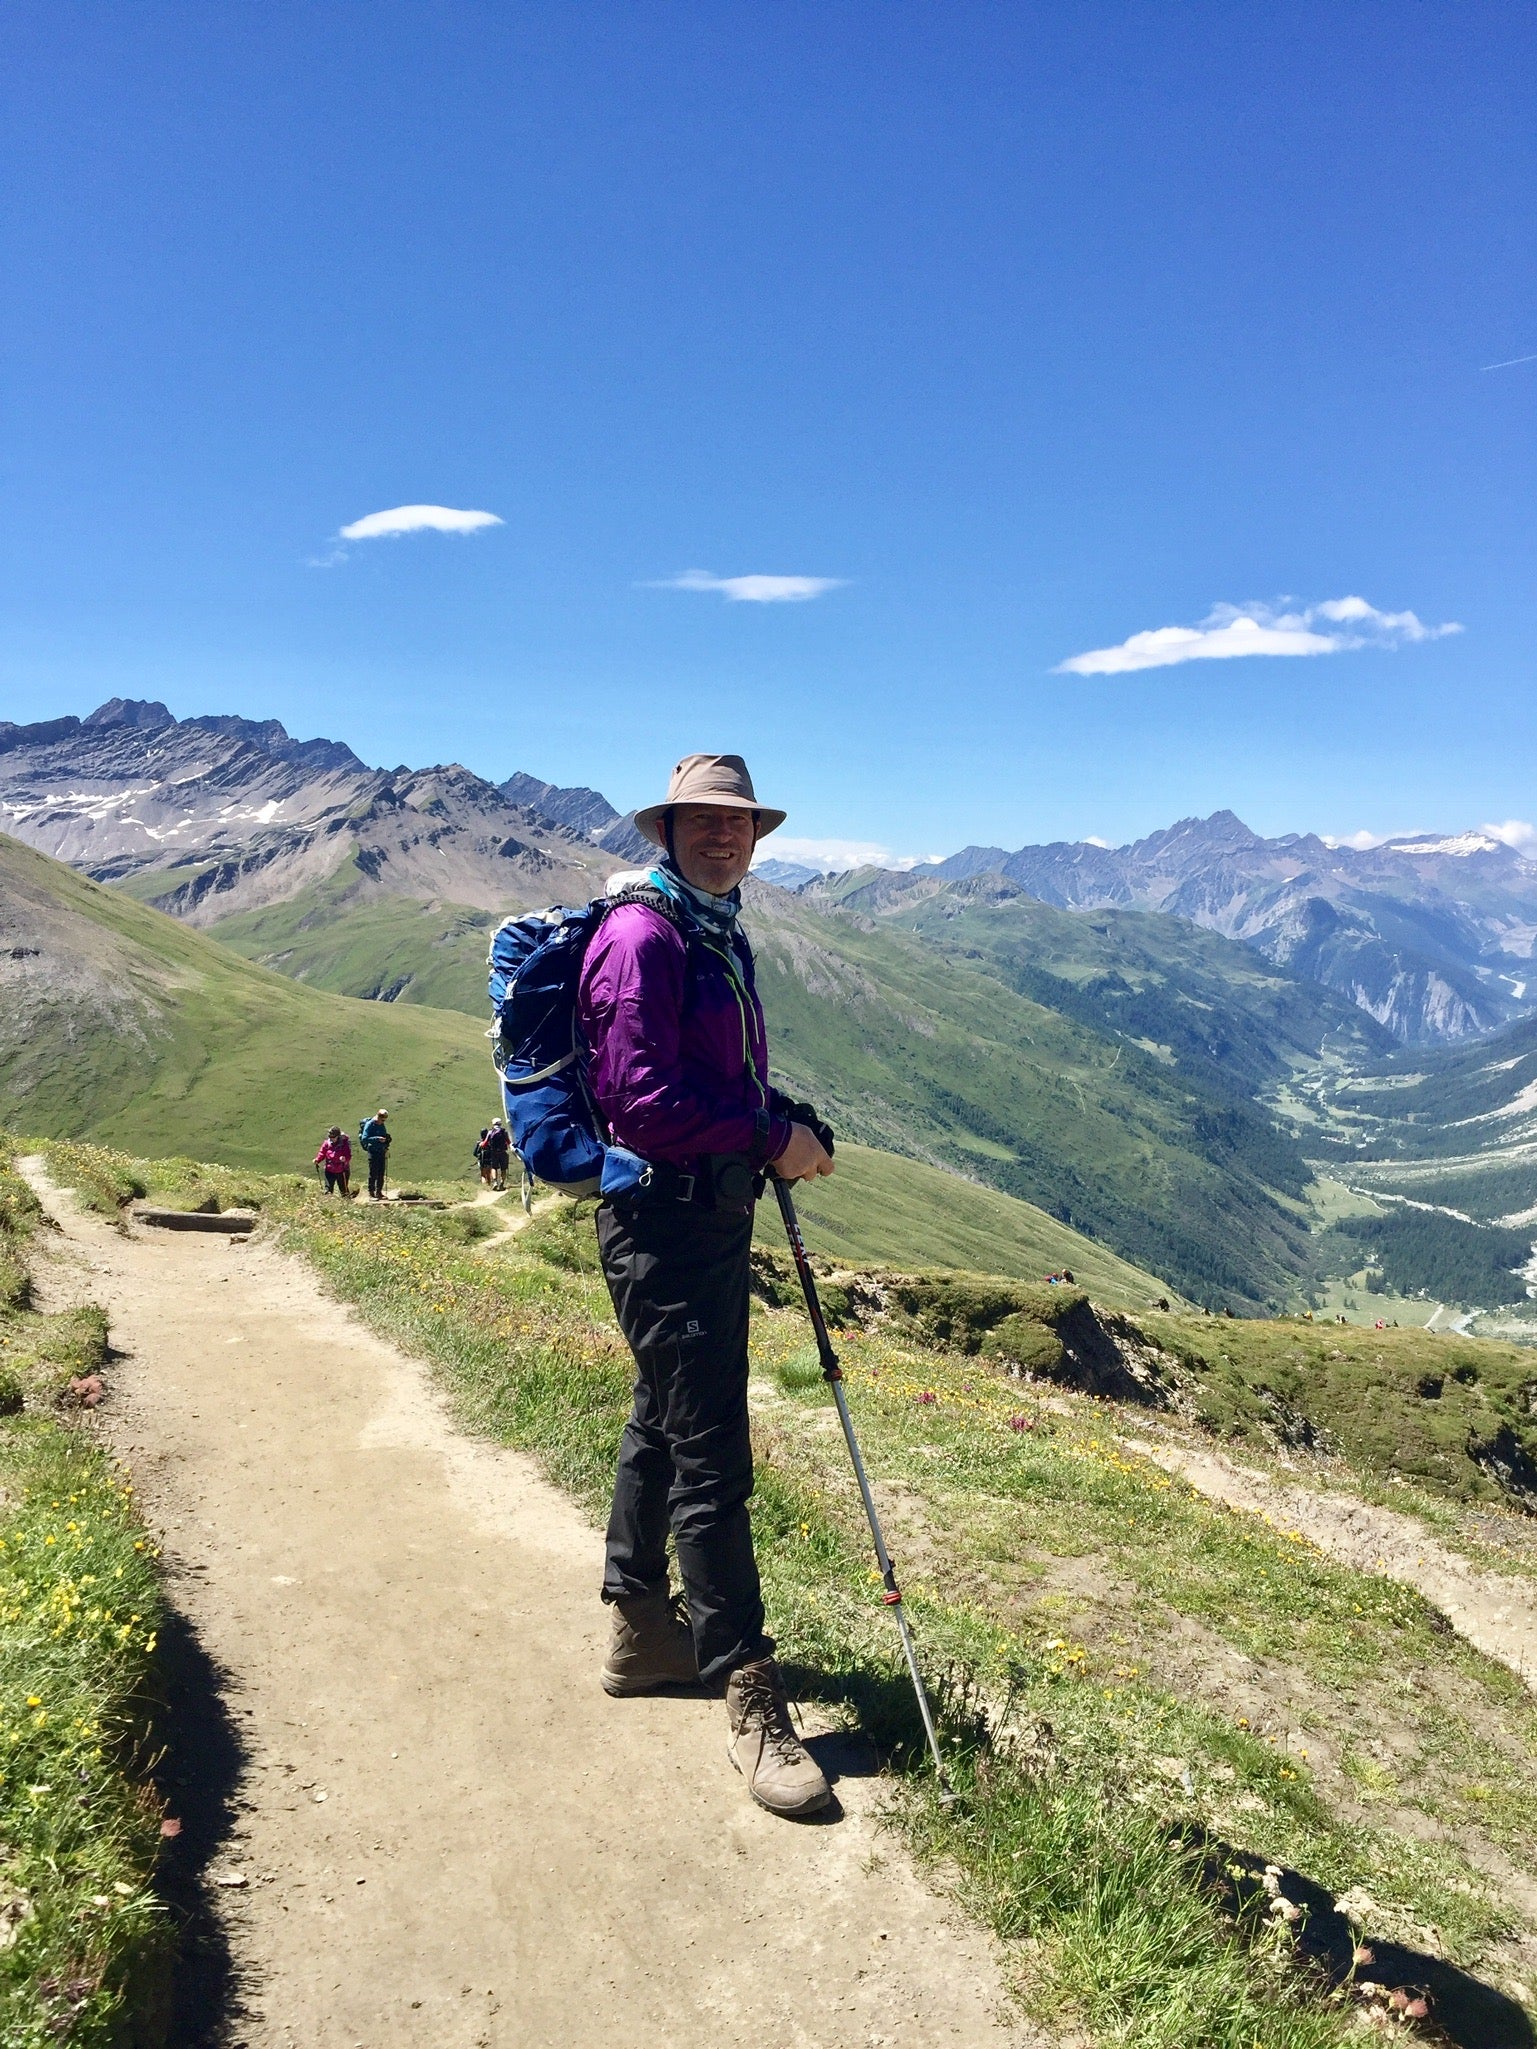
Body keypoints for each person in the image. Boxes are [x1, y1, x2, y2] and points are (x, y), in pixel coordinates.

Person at [577, 753, 836, 1819]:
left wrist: (779, 1115)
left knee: (660, 1415)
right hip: (662, 1224)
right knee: (711, 1456)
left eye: (739, 824)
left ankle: (640, 1629)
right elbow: (638, 1101)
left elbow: (700, 1076)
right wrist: (771, 1136)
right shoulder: (644, 937)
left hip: (700, 1219)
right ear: (668, 829)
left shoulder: (706, 931)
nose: (724, 837)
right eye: (704, 822)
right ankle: (747, 1691)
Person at [360, 1110, 391, 1200]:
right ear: (379, 1117)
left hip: (381, 1150)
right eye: (382, 1120)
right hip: (373, 1151)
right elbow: (364, 1138)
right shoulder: (370, 1124)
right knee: (373, 1173)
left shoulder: (381, 1125)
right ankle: (371, 1193)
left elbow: (384, 1135)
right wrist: (377, 1139)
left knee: (381, 1172)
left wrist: (386, 1142)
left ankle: (379, 1192)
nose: (383, 1122)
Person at [314, 1126, 351, 1197]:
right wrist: (317, 1160)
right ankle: (328, 1202)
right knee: (328, 1189)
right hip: (329, 1169)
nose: (331, 1138)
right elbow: (322, 1153)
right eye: (330, 1137)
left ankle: (347, 1201)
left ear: (338, 1136)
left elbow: (348, 1155)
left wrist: (344, 1159)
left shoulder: (344, 1143)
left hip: (342, 1170)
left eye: (333, 1137)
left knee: (343, 1190)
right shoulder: (327, 1143)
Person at [483, 1118, 511, 1192]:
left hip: (494, 1153)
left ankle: (495, 1182)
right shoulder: (504, 1132)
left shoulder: (490, 1132)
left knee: (494, 1168)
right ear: (500, 1124)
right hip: (502, 1152)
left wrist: (481, 1144)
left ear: (493, 1124)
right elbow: (508, 1142)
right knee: (503, 1168)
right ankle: (502, 1183)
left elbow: (485, 1143)